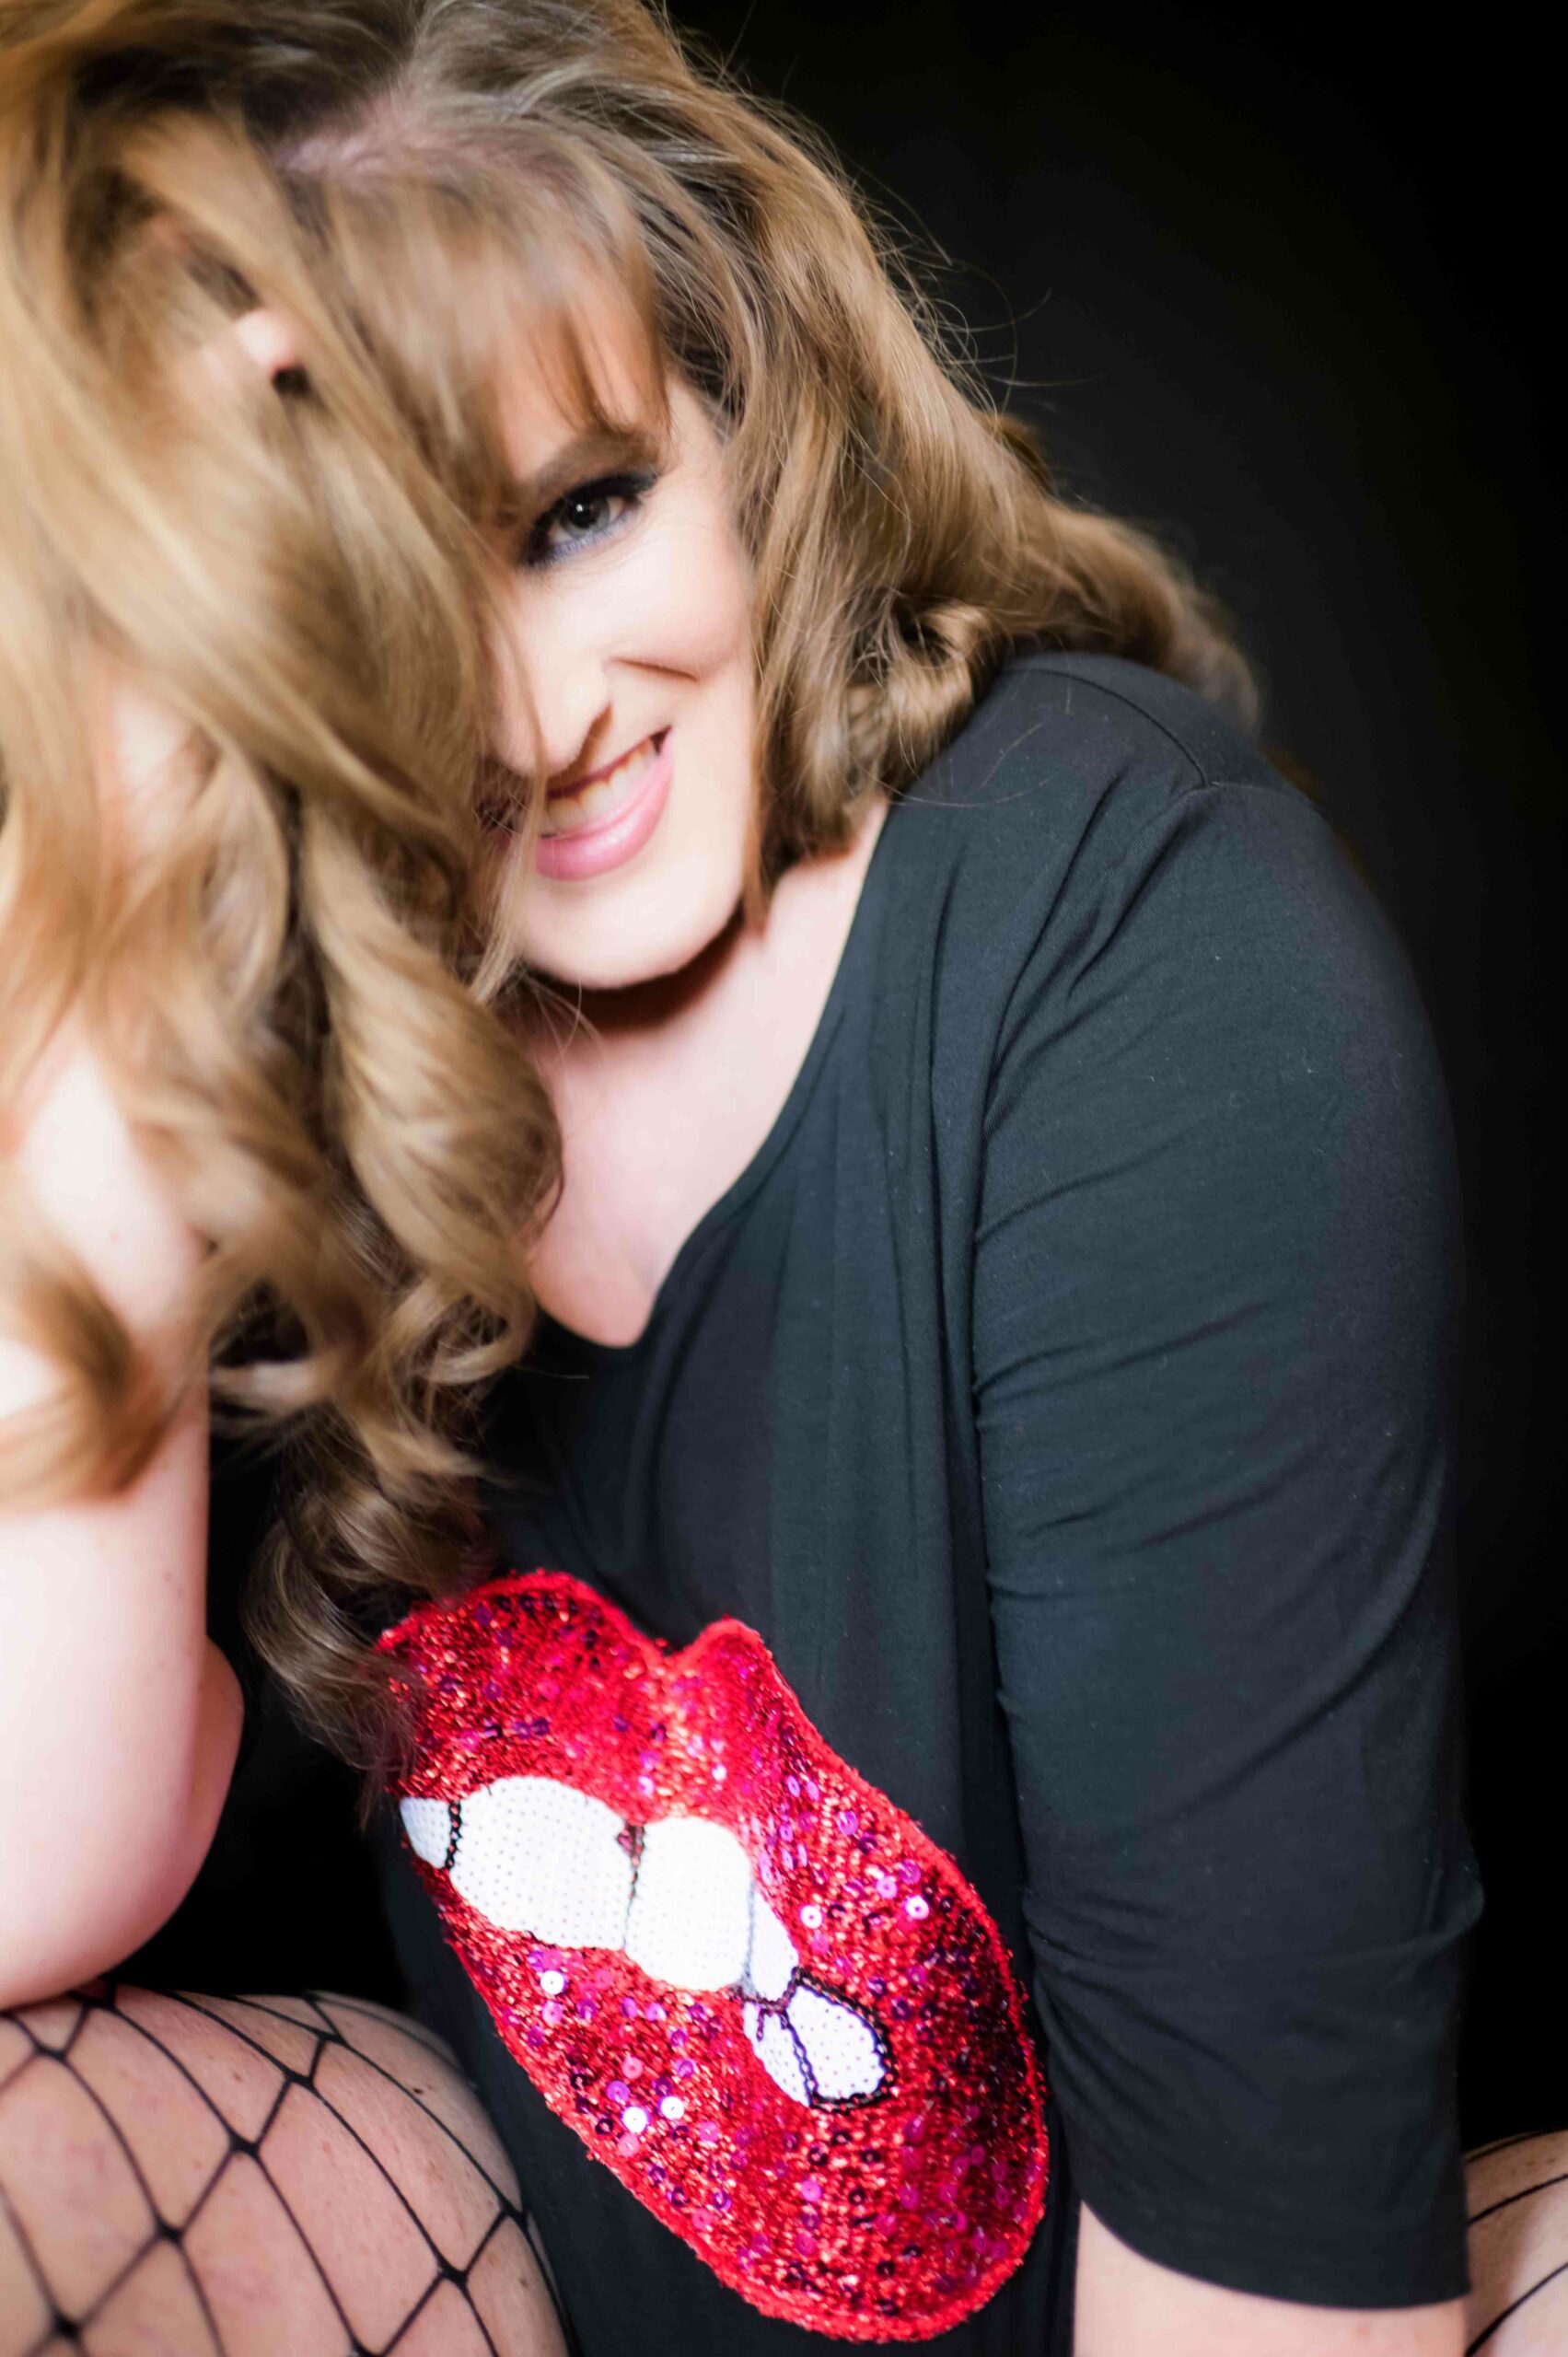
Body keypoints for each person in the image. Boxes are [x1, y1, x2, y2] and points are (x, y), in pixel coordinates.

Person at [3, 3, 1555, 2352]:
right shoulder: (296, 1034)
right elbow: (35, 1860)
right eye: (394, 630)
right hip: (536, 2253)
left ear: (738, 398)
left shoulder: (1133, 953)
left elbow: (1273, 2304)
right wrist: (119, 912)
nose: (540, 726)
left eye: (586, 507)